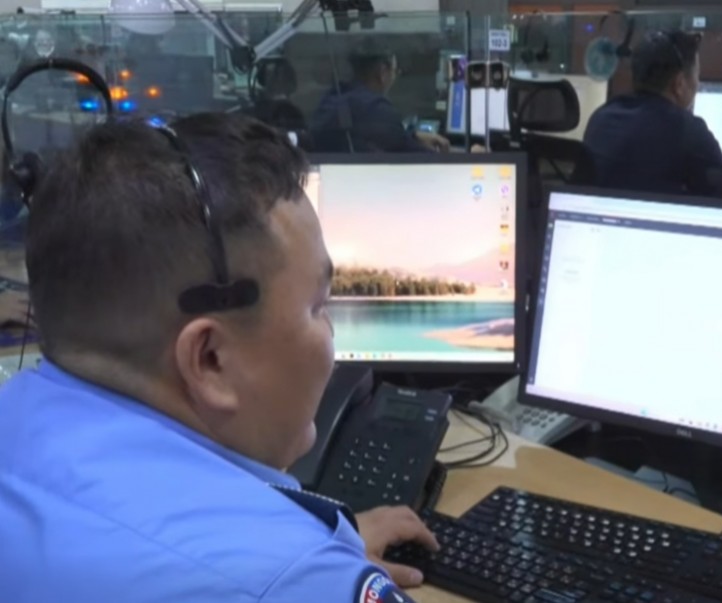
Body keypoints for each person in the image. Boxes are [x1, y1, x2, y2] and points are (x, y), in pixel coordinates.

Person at [0, 113, 438, 602]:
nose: (330, 333)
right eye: (318, 306)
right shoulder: (299, 577)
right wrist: (316, 562)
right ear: (210, 360)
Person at [583, 30, 722, 205]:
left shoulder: (602, 117)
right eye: (696, 77)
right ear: (679, 84)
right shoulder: (684, 130)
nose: (698, 85)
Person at [310, 38, 450, 153]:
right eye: (395, 71)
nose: (394, 77)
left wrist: (414, 136)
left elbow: (389, 138)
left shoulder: (333, 97)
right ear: (383, 72)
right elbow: (411, 153)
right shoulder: (376, 108)